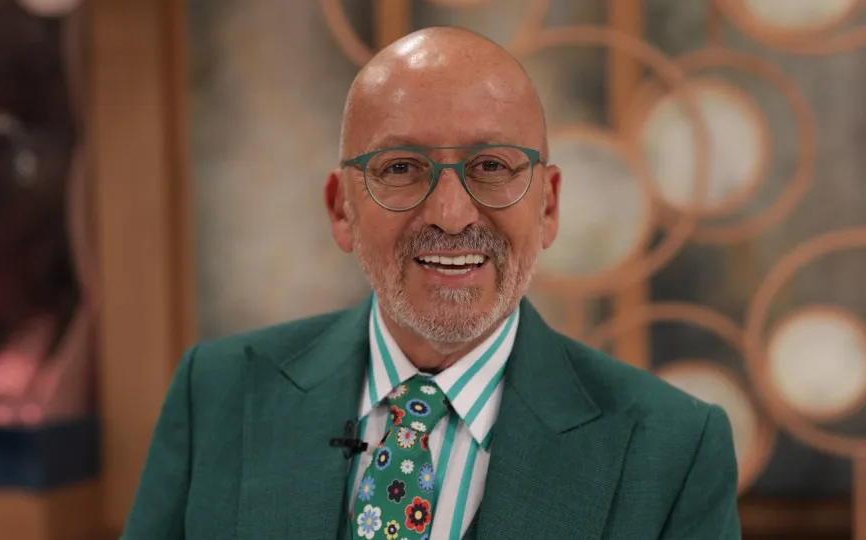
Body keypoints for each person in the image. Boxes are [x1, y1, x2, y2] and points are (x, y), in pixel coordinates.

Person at [122, 26, 740, 540]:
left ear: (548, 206)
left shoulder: (675, 450)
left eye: (491, 165)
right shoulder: (216, 396)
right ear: (341, 209)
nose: (451, 214)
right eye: (401, 167)